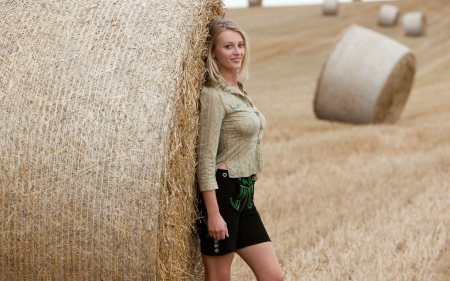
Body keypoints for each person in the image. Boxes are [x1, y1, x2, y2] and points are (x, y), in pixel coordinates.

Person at [196, 18, 284, 281]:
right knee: (220, 278)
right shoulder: (213, 95)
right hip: (222, 194)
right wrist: (213, 214)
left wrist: (250, 166)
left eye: (240, 45)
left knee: (273, 276)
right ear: (213, 52)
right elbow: (205, 160)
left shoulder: (239, 92)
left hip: (245, 194)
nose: (237, 52)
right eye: (228, 46)